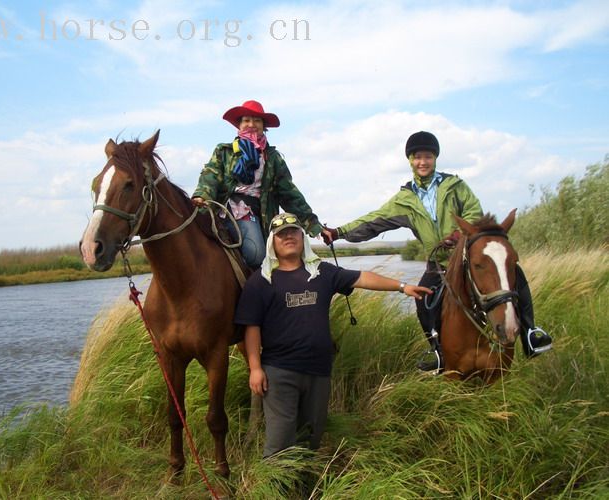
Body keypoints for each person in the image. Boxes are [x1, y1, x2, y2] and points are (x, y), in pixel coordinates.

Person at [322, 131, 552, 372]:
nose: (423, 162)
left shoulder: (455, 186)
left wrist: (458, 234)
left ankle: (530, 333)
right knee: (423, 299)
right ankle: (437, 351)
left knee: (516, 277)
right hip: (438, 265)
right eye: (417, 156)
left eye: (428, 156)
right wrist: (338, 232)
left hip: (466, 256)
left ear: (435, 159)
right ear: (410, 160)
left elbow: (474, 212)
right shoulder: (404, 200)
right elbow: (373, 220)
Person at [235, 212, 431, 457]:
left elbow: (362, 278)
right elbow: (251, 328)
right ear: (272, 242)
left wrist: (402, 287)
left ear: (302, 237)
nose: (288, 237)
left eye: (293, 231)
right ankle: (275, 489)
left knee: (310, 438)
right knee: (279, 445)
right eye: (281, 234)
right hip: (279, 372)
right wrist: (255, 368)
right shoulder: (262, 281)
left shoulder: (321, 273)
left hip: (318, 371)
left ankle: (305, 489)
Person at [192, 100, 322, 269]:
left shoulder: (273, 158)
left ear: (263, 126)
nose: (251, 124)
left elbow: (289, 194)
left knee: (268, 256)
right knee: (254, 254)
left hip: (262, 214)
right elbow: (210, 176)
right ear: (239, 125)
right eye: (246, 120)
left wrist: (312, 224)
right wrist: (202, 196)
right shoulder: (224, 151)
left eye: (257, 121)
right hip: (230, 208)